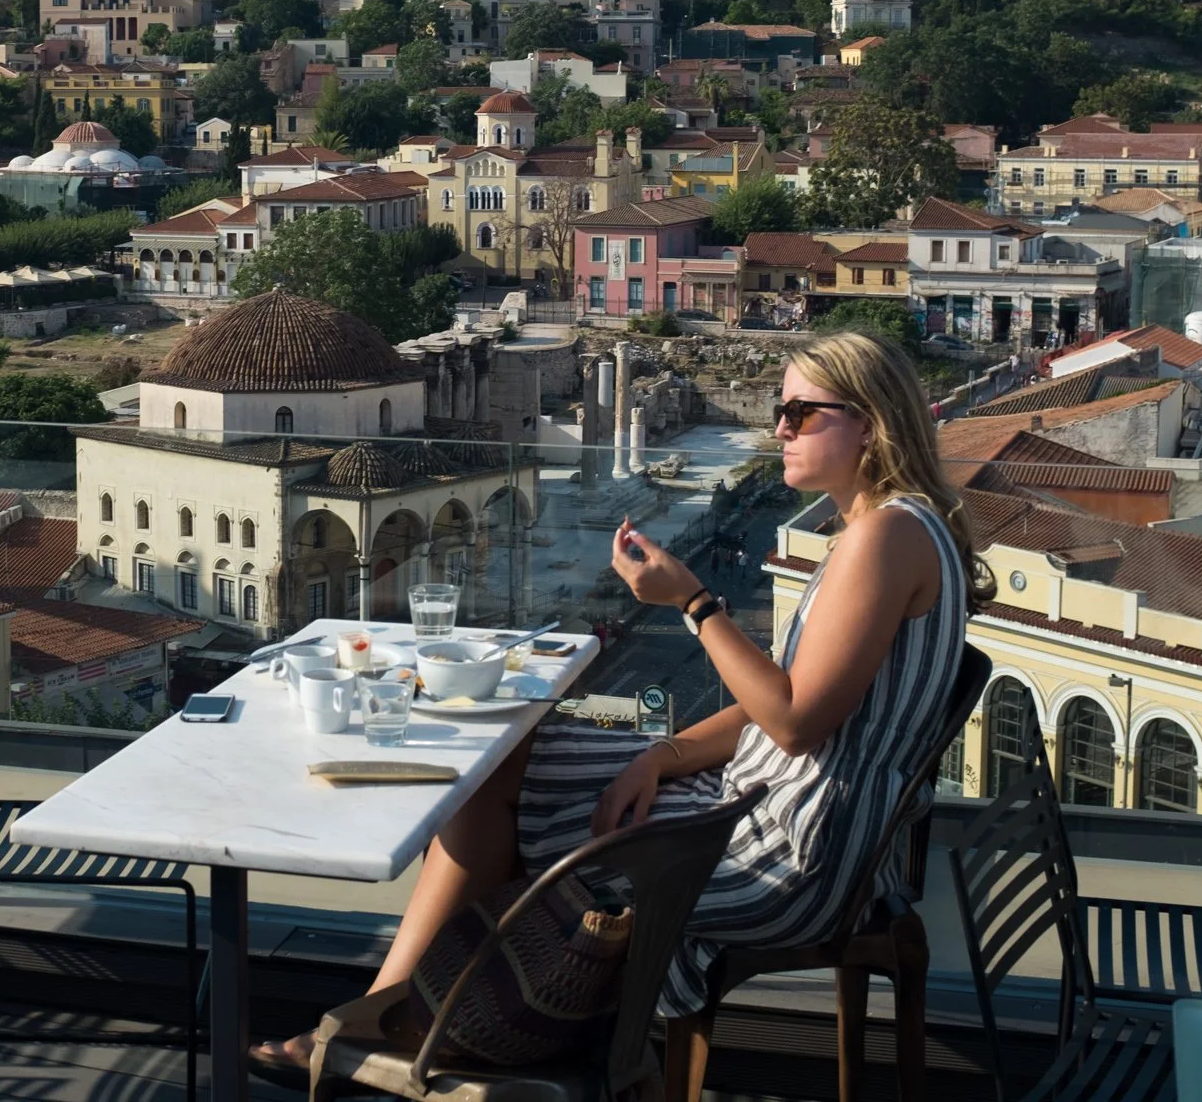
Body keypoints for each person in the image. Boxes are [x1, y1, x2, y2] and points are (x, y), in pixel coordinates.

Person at [251, 329, 986, 1076]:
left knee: (499, 787)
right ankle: (438, 1017)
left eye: (800, 413)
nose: (780, 429)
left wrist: (693, 601)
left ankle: (410, 1023)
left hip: (789, 852)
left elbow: (794, 721)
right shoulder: (891, 528)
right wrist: (660, 757)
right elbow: (787, 704)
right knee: (506, 756)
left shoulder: (884, 538)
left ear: (870, 424)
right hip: (771, 803)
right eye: (779, 410)